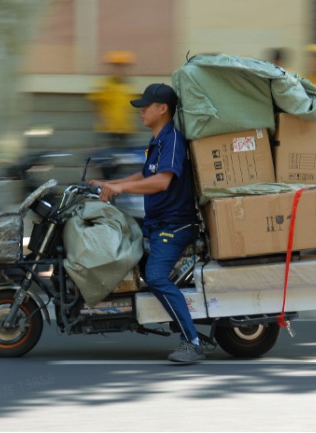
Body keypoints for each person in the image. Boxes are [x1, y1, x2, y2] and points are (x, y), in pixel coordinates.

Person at [89, 83, 203, 364]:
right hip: (156, 222)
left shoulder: (172, 140)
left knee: (156, 277)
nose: (141, 111)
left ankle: (193, 342)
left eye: (146, 106)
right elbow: (143, 175)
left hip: (174, 225)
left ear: (162, 109)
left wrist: (120, 190)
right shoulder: (158, 141)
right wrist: (110, 184)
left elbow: (162, 181)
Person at [87, 51, 138, 147]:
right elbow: (95, 103)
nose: (120, 70)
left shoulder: (128, 85)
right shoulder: (105, 85)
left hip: (126, 130)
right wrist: (102, 121)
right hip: (109, 131)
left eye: (123, 67)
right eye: (117, 66)